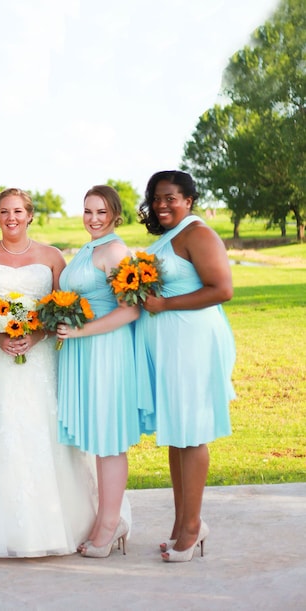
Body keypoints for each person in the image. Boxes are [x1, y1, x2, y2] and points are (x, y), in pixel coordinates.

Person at [0, 187, 97, 559]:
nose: (11, 218)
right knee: (5, 435)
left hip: (40, 360)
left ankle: (57, 524)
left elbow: (65, 308)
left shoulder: (51, 256)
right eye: (3, 212)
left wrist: (34, 335)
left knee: (43, 432)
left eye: (18, 211)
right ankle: (6, 531)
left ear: (30, 214)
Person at [135, 170, 235, 563]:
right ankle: (181, 523)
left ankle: (193, 527)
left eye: (171, 197)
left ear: (189, 200)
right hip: (170, 344)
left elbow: (222, 289)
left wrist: (164, 304)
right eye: (157, 198)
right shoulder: (168, 237)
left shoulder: (198, 233)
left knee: (191, 433)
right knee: (177, 433)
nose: (162, 204)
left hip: (192, 341)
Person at [55, 185, 140, 558]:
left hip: (105, 349)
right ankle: (106, 518)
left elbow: (130, 309)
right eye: (88, 211)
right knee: (97, 437)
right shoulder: (87, 250)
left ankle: (110, 523)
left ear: (115, 215)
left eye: (101, 212)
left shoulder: (116, 250)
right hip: (81, 351)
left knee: (109, 438)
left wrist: (80, 330)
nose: (93, 219)